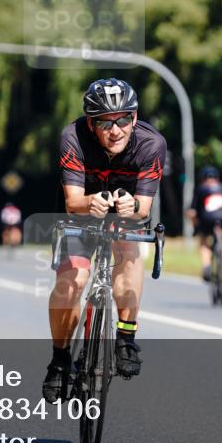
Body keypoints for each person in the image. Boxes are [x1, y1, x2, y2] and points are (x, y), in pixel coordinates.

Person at [43, 78, 167, 403]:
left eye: (123, 119)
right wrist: (90, 203)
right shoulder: (73, 138)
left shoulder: (152, 144)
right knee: (73, 280)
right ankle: (59, 360)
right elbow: (73, 200)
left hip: (125, 215)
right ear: (90, 123)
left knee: (128, 248)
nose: (116, 130)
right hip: (80, 211)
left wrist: (133, 207)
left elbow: (145, 208)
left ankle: (126, 338)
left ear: (135, 118)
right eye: (104, 122)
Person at [186, 166, 222, 284]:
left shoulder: (201, 189)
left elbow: (192, 213)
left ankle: (206, 268)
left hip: (208, 219)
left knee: (204, 241)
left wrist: (196, 227)